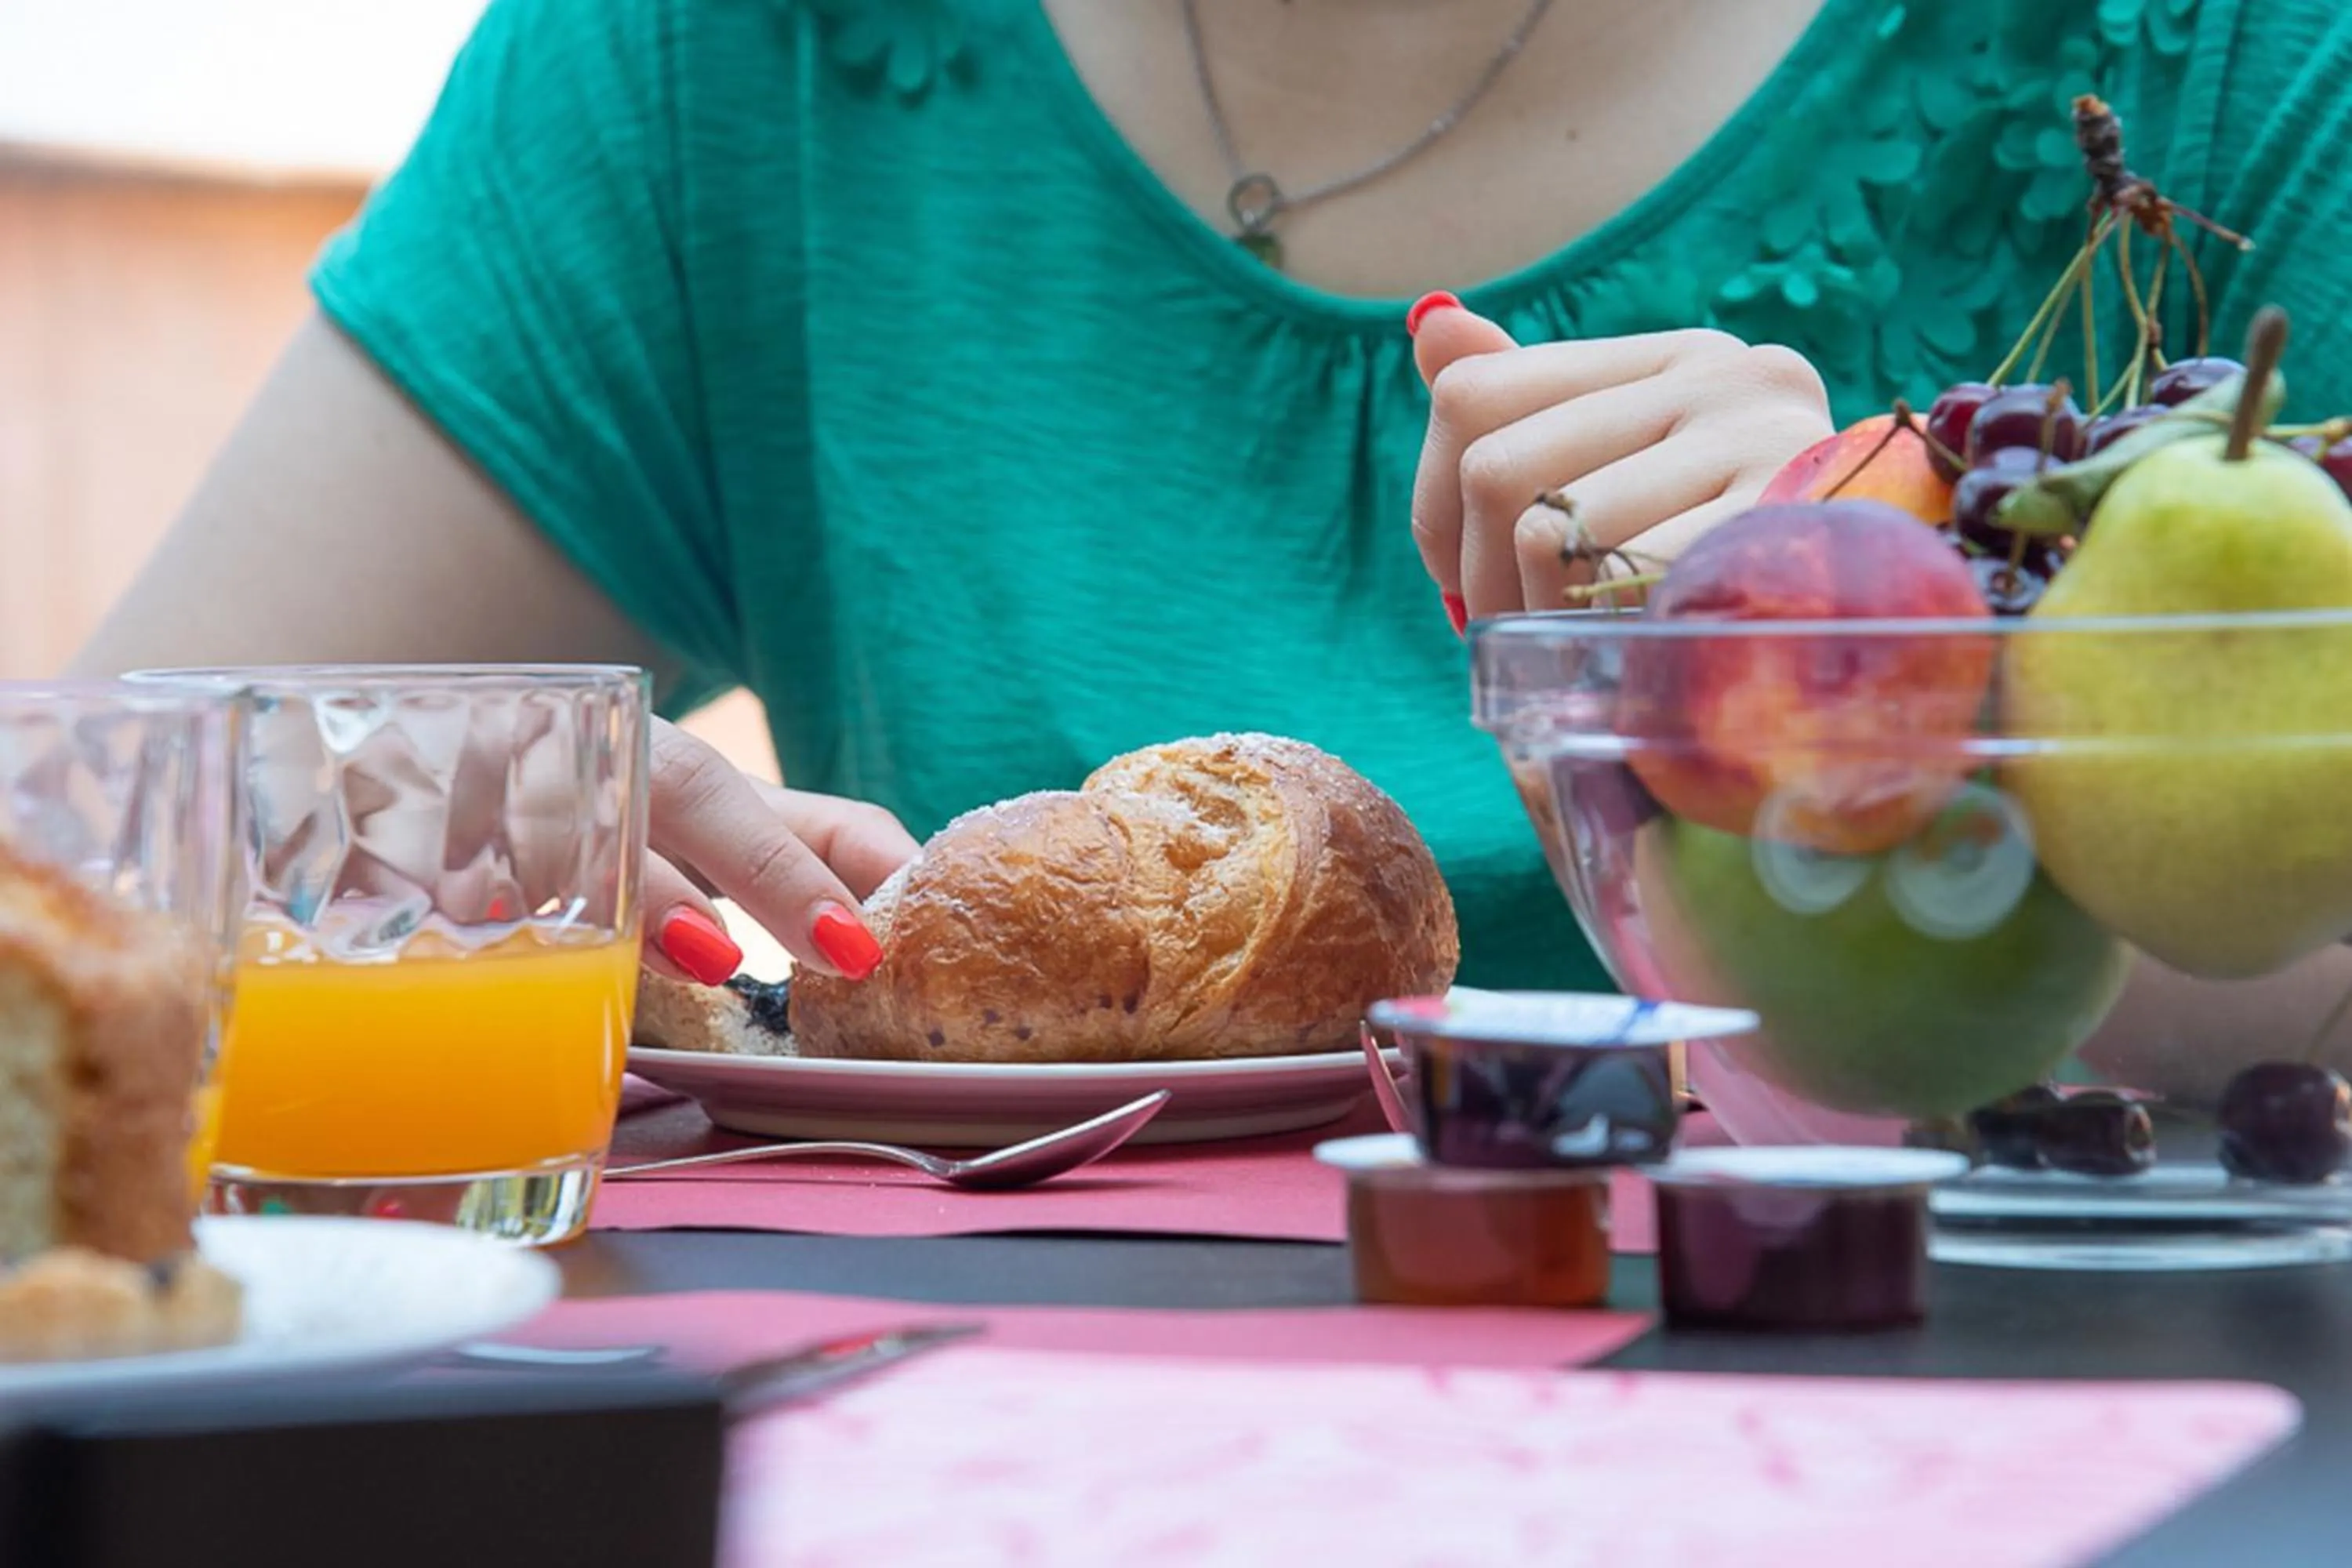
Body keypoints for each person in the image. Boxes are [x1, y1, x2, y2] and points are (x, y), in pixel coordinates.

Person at [70, 0, 2352, 998]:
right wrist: (456, 824)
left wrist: (1910, 640)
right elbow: (82, 868)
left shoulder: (2242, 60)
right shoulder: (718, 54)